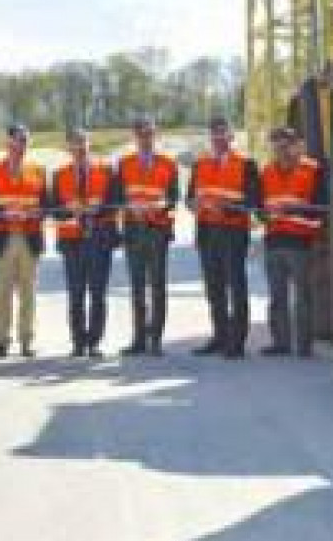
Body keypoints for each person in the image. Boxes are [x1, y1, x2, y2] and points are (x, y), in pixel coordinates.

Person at [187, 117, 261, 359]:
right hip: (207, 233)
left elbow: (253, 201)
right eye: (214, 134)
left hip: (233, 232)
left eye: (223, 134)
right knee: (214, 288)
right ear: (211, 138)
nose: (219, 138)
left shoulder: (246, 164)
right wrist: (193, 205)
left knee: (236, 287)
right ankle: (220, 337)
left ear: (231, 136)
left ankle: (237, 342)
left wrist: (227, 207)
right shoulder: (200, 164)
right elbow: (189, 198)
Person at [50, 128, 120, 358]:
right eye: (74, 143)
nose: (79, 148)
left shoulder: (107, 171)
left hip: (100, 240)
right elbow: (53, 210)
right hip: (72, 242)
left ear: (90, 144)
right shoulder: (59, 174)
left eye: (83, 142)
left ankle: (94, 342)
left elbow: (116, 203)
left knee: (98, 293)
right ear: (68, 148)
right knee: (76, 294)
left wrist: (97, 210)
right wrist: (68, 211)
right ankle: (78, 342)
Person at [0, 123, 47, 358]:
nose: (22, 145)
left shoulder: (38, 170)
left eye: (25, 141)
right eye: (18, 140)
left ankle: (27, 340)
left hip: (29, 238)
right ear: (7, 142)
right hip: (3, 238)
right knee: (3, 293)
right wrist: (3, 213)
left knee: (28, 293)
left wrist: (32, 213)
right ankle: (2, 341)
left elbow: (46, 207)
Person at [258, 126, 326, 357]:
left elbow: (320, 208)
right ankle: (281, 343)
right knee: (277, 297)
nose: (281, 151)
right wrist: (264, 215)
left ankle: (304, 346)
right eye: (277, 146)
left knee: (303, 297)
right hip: (274, 241)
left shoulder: (313, 170)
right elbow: (260, 207)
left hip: (300, 243)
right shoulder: (266, 172)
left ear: (296, 145)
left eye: (286, 145)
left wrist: (295, 210)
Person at [117, 118, 179, 356]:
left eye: (150, 134)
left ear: (156, 135)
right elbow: (118, 196)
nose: (146, 139)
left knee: (158, 286)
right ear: (134, 136)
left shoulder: (168, 163)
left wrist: (160, 207)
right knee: (137, 287)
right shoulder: (124, 164)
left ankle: (156, 340)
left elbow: (174, 198)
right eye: (141, 134)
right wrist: (130, 208)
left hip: (157, 231)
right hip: (133, 231)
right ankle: (139, 339)